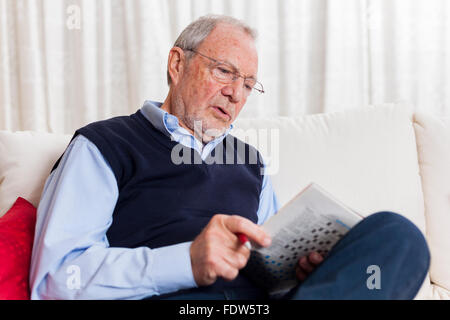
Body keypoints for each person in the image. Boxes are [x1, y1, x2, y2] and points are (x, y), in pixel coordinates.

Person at [30, 14, 430, 300]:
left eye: (249, 84)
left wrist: (301, 273)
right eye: (225, 71)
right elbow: (56, 280)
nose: (236, 94)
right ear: (177, 63)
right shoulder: (104, 145)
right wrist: (186, 261)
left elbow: (269, 268)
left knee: (398, 236)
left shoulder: (253, 164)